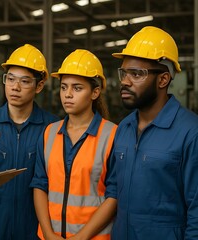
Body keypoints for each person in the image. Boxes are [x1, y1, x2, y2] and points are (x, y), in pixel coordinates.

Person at [105, 26, 198, 239]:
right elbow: (114, 188)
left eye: (136, 74)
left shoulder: (190, 132)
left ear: (163, 80)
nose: (125, 81)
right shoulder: (124, 129)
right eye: (124, 73)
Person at [0, 43, 59, 240]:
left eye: (24, 81)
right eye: (10, 79)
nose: (15, 87)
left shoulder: (52, 128)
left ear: (39, 86)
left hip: (37, 230)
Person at [30, 49, 118, 239]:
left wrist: (81, 237)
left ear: (95, 92)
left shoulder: (112, 135)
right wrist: (48, 234)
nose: (67, 94)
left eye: (77, 88)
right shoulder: (49, 133)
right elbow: (39, 185)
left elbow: (114, 195)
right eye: (64, 87)